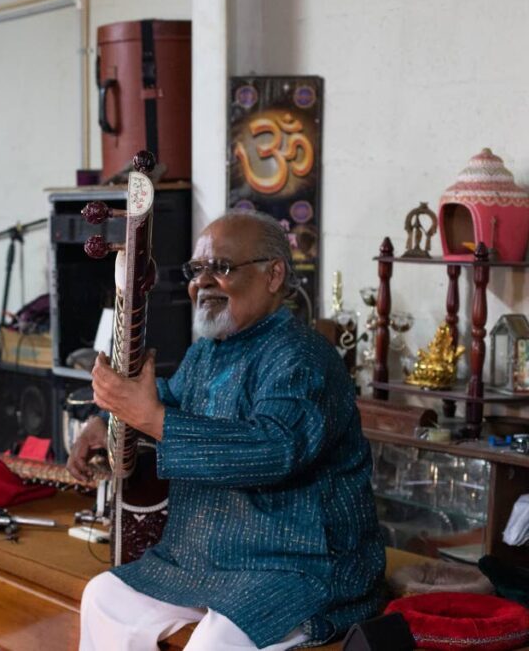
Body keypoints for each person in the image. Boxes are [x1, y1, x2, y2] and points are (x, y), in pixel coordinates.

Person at [69, 210, 385, 651]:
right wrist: (105, 422)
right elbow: (168, 400)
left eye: (222, 267)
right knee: (105, 598)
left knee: (215, 644)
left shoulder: (303, 357)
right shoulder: (207, 353)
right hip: (202, 561)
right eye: (197, 270)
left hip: (297, 568)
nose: (204, 282)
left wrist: (150, 418)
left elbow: (274, 448)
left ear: (274, 274)